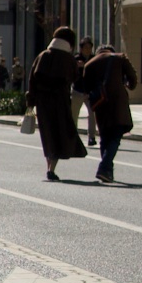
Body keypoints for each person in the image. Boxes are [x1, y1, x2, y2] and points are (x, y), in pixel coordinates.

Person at [26, 24, 86, 183]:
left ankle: (49, 165)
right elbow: (75, 78)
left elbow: (32, 81)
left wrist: (30, 102)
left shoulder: (43, 56)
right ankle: (51, 168)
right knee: (61, 133)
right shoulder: (69, 59)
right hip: (61, 102)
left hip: (43, 102)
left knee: (48, 134)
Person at [81, 41, 137, 181]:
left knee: (105, 136)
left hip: (100, 103)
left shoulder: (89, 64)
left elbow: (86, 87)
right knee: (116, 136)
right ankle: (105, 167)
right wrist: (127, 85)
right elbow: (133, 79)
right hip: (118, 102)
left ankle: (107, 171)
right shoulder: (120, 58)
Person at [73, 37, 96, 147]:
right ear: (81, 49)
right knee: (74, 115)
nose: (88, 50)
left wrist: (86, 65)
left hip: (89, 92)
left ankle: (91, 137)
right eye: (85, 47)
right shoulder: (76, 58)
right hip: (77, 90)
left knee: (92, 114)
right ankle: (73, 136)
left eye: (90, 47)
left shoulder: (94, 59)